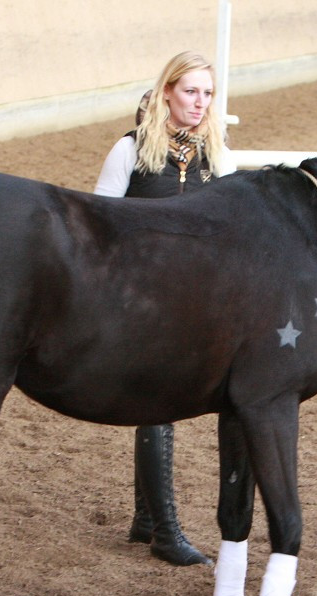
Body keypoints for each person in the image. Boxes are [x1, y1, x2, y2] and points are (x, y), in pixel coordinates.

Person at [93, 51, 228, 565]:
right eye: (191, 91)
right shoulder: (130, 150)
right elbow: (99, 221)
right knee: (160, 405)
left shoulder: (217, 156)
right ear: (167, 91)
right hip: (136, 300)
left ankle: (144, 519)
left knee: (160, 403)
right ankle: (166, 531)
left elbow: (235, 225)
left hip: (189, 303)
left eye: (207, 93)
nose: (200, 102)